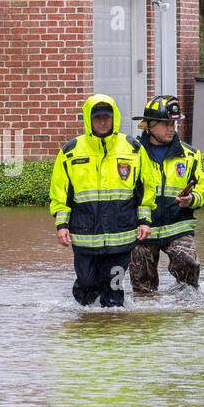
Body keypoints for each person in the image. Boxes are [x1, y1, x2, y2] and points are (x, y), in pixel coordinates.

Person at [49, 94, 153, 307]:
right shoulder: (70, 151)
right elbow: (61, 192)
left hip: (121, 236)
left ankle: (112, 330)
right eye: (98, 118)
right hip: (85, 235)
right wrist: (62, 225)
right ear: (89, 119)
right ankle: (86, 324)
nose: (103, 122)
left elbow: (145, 188)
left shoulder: (133, 148)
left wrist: (144, 220)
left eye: (107, 117)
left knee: (114, 293)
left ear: (114, 118)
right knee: (87, 286)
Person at [129, 95, 204, 294]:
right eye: (165, 124)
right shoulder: (133, 154)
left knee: (189, 270)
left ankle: (185, 315)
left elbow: (203, 187)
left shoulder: (190, 155)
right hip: (143, 230)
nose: (170, 129)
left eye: (173, 123)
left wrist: (192, 199)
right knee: (143, 288)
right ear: (149, 125)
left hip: (178, 227)